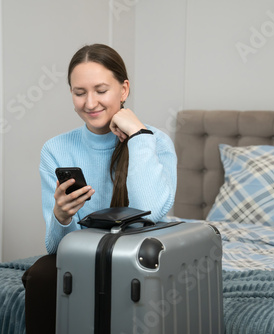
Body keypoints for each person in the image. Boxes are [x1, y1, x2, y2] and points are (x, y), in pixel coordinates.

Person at [22, 43, 177, 333]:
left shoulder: (155, 142)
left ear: (124, 89)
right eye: (79, 93)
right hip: (85, 257)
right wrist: (62, 217)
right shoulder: (55, 149)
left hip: (140, 256)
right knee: (42, 274)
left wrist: (139, 135)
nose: (90, 103)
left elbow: (152, 212)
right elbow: (56, 248)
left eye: (101, 90)